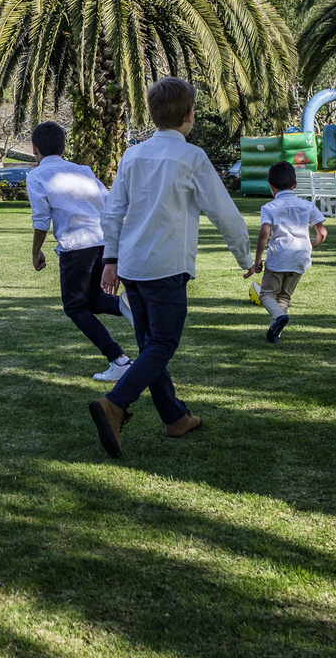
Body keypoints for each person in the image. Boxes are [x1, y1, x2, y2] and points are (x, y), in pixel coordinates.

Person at [89, 77, 254, 459]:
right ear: (189, 114)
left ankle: (174, 417)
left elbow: (112, 212)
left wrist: (111, 259)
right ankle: (116, 404)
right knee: (162, 345)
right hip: (165, 266)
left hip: (131, 264)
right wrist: (246, 258)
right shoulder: (191, 157)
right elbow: (224, 212)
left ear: (153, 113)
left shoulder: (132, 156)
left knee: (151, 346)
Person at [27, 121, 134, 381]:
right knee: (93, 300)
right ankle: (125, 304)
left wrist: (36, 252)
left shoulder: (37, 176)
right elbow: (108, 204)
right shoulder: (83, 170)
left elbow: (41, 219)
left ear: (34, 149)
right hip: (103, 241)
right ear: (64, 147)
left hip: (77, 245)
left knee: (75, 308)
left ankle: (118, 359)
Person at [244, 161, 327, 343]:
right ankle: (275, 335)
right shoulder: (307, 205)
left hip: (279, 257)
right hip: (300, 258)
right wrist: (313, 243)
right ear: (295, 184)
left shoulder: (269, 207)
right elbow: (322, 232)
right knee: (284, 297)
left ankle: (278, 318)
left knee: (266, 294)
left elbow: (265, 231)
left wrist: (258, 258)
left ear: (271, 186)